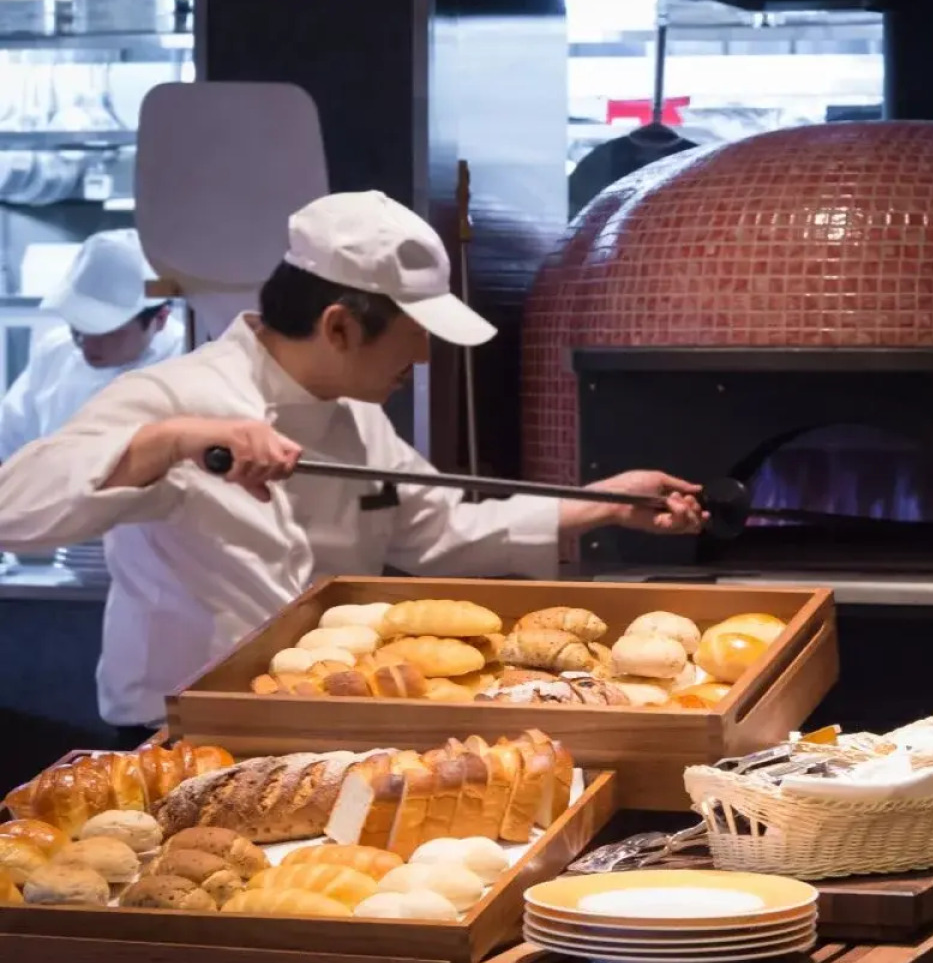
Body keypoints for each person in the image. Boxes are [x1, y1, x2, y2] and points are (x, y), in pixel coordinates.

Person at [0, 190, 704, 733]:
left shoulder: (358, 415)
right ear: (338, 325)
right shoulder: (172, 396)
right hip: (181, 722)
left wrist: (604, 503)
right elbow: (16, 511)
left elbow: (436, 531)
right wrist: (168, 441)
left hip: (321, 712)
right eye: (413, 335)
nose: (425, 358)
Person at [0, 229, 185, 460]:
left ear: (159, 319)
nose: (87, 345)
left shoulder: (187, 362)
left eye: (107, 333)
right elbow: (9, 441)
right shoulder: (56, 351)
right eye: (78, 330)